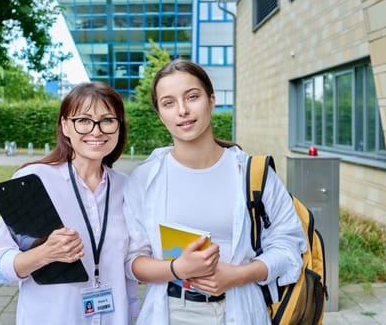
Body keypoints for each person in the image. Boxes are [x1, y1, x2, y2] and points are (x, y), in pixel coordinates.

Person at [123, 59, 307, 324]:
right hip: (172, 312)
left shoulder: (253, 173)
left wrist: (238, 275)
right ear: (160, 113)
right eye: (169, 103)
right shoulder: (145, 179)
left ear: (211, 100)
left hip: (242, 309)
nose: (182, 110)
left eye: (192, 97)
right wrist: (177, 268)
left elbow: (289, 245)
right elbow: (133, 260)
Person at [0, 81, 139, 324]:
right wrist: (45, 253)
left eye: (108, 120)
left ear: (119, 127)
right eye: (84, 120)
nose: (96, 131)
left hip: (113, 317)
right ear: (65, 126)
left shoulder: (127, 187)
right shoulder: (34, 180)